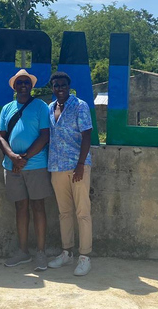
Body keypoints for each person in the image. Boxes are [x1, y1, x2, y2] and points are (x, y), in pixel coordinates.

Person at [0, 69, 52, 271]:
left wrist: (25, 158)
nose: (23, 85)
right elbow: (1, 136)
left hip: (36, 165)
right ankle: (22, 251)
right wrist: (12, 157)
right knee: (20, 208)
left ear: (31, 86)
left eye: (26, 83)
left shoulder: (40, 107)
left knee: (38, 207)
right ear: (14, 86)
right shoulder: (7, 109)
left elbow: (44, 136)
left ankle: (40, 252)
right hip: (12, 166)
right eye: (19, 82)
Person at [45, 72, 94, 276]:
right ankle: (67, 252)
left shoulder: (80, 106)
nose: (60, 89)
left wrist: (81, 164)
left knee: (82, 212)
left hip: (77, 167)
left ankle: (84, 256)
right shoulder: (50, 107)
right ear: (52, 88)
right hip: (57, 167)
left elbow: (87, 135)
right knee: (64, 212)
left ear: (69, 86)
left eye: (63, 85)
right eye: (56, 86)